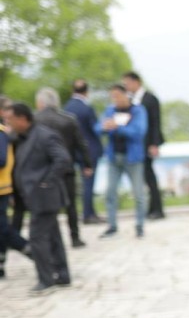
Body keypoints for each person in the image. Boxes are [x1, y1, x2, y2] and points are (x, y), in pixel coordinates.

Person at [7, 103, 73, 295]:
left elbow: (62, 159)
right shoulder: (21, 138)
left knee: (37, 237)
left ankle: (46, 280)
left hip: (45, 196)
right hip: (33, 196)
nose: (8, 123)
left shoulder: (44, 135)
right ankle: (62, 275)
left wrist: (47, 182)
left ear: (22, 118)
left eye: (10, 119)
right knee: (53, 236)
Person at [35, 87, 92, 249]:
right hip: (67, 168)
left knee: (46, 205)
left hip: (43, 170)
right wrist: (87, 164)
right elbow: (81, 144)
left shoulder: (35, 120)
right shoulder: (69, 119)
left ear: (40, 103)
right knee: (71, 204)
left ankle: (48, 239)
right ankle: (75, 237)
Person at [99, 84, 150, 239]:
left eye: (117, 96)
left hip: (133, 158)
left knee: (139, 194)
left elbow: (139, 132)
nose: (114, 99)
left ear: (125, 95)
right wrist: (105, 127)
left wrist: (118, 127)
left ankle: (140, 226)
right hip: (114, 157)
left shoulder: (138, 110)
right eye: (112, 96)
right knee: (110, 192)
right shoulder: (110, 110)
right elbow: (98, 128)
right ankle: (112, 226)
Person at [121, 72, 164, 220]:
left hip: (148, 143)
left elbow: (156, 122)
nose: (126, 87)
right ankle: (150, 209)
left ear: (136, 82)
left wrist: (154, 144)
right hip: (137, 145)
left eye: (127, 83)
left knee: (149, 176)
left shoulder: (150, 99)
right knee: (144, 177)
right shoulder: (131, 100)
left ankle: (157, 209)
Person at [0, 98, 34, 280]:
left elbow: (2, 160)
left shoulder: (1, 133)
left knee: (4, 229)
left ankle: (32, 251)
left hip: (2, 189)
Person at [64, 79, 104, 224]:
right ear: (87, 92)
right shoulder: (87, 108)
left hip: (72, 151)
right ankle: (88, 214)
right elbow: (96, 129)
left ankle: (84, 213)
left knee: (76, 185)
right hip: (89, 150)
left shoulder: (66, 108)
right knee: (88, 183)